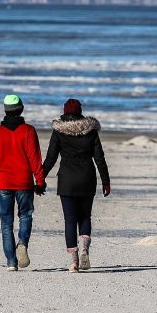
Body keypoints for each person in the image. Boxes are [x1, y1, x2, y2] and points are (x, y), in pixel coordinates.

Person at [42, 98, 110, 272]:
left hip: (67, 181)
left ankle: (74, 262)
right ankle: (85, 249)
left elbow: (51, 158)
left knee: (70, 220)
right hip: (87, 178)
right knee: (85, 216)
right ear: (80, 112)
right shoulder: (91, 131)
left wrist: (40, 178)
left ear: (64, 113)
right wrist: (106, 181)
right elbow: (99, 158)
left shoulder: (59, 132)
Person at [0, 94, 46, 271]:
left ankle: (11, 262)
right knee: (25, 215)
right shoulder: (28, 131)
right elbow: (35, 158)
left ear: (5, 110)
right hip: (24, 182)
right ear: (21, 109)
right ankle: (22, 243)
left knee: (6, 223)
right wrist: (40, 180)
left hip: (4, 183)